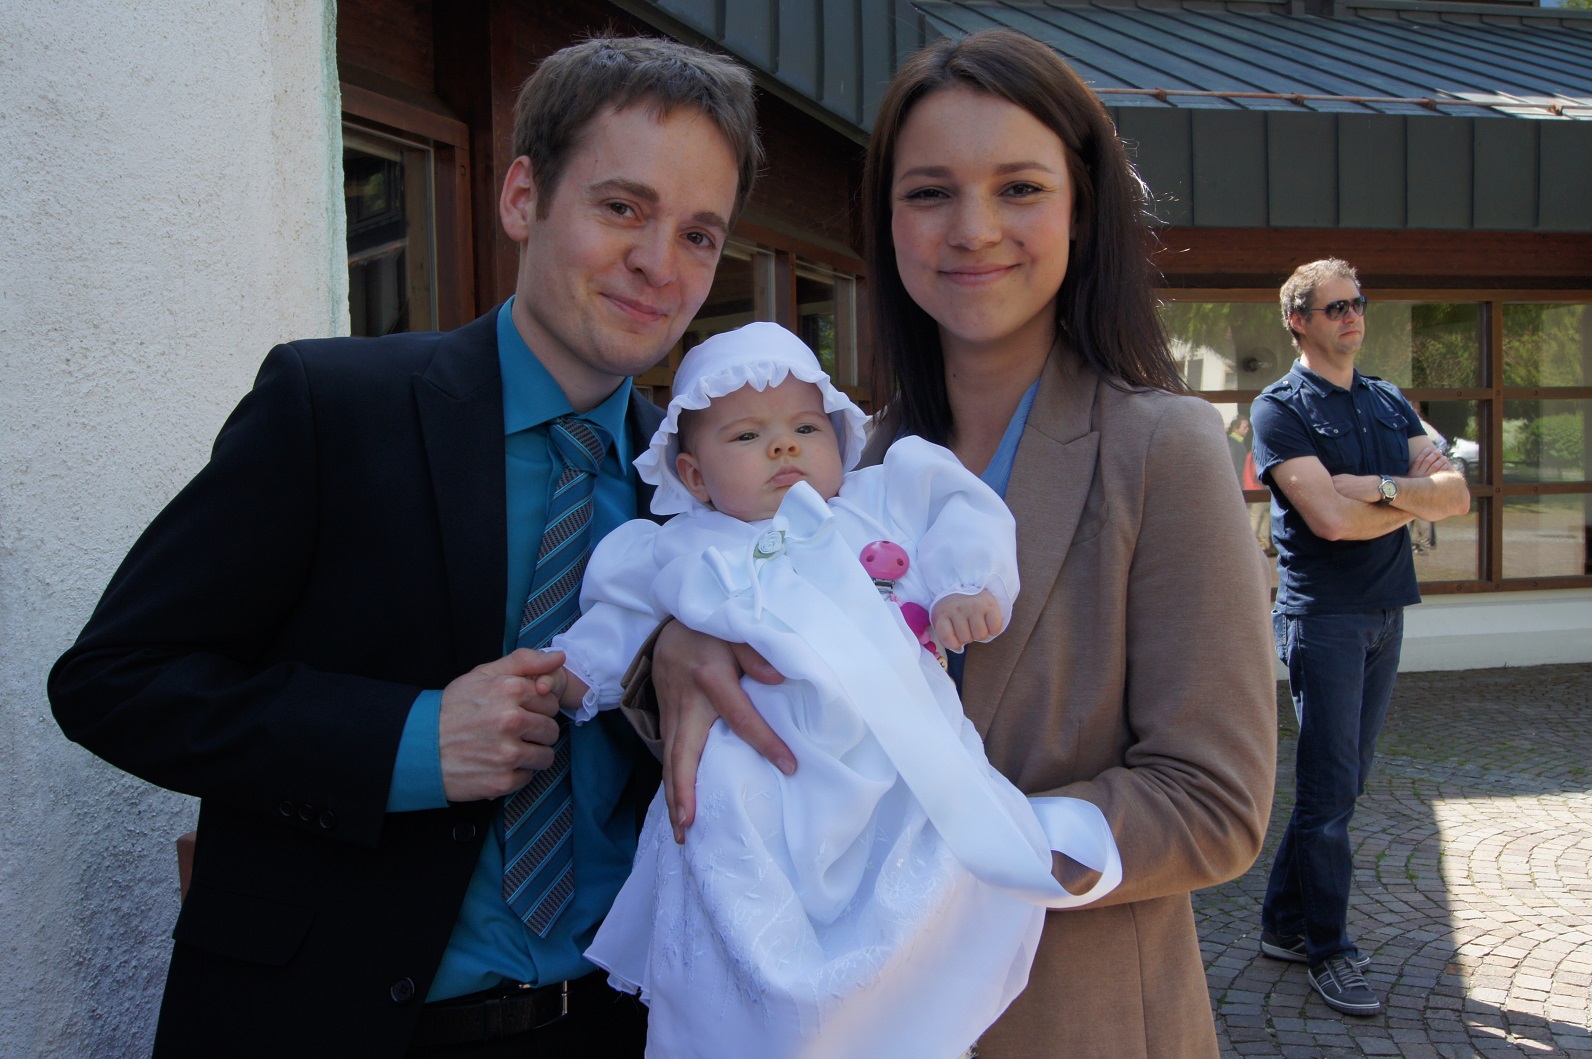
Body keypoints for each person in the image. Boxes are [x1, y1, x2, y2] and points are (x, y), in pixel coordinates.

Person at [47, 36, 761, 1058]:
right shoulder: (332, 408)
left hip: (623, 1026)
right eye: (621, 207)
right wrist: (406, 743)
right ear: (522, 198)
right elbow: (114, 680)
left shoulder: (704, 492)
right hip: (329, 1027)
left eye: (698, 234)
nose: (659, 263)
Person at [637, 29, 1278, 1059]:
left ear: (1081, 208)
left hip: (1071, 1023)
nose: (973, 230)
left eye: (1018, 188)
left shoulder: (1163, 448)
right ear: (888, 222)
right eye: (929, 193)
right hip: (845, 1024)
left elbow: (1213, 805)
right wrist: (677, 643)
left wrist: (966, 855)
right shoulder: (843, 466)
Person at [538, 323, 1119, 1058]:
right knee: (740, 912)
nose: (783, 447)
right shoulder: (679, 545)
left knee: (920, 883)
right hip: (755, 779)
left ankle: (898, 1025)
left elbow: (962, 508)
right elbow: (619, 618)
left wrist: (967, 583)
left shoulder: (879, 504)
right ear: (694, 476)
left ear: (841, 439)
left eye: (805, 429)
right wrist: (570, 675)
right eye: (747, 436)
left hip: (894, 762)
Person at [1250, 258, 1470, 1017]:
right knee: (1328, 792)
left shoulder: (1387, 398)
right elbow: (1330, 521)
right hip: (1325, 618)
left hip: (1385, 610)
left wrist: (1378, 489)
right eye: (1335, 307)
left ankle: (1282, 924)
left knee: (1344, 783)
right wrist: (1412, 500)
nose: (1352, 317)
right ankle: (1329, 948)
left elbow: (1456, 496)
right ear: (1298, 321)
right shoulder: (1279, 409)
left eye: (1358, 303)